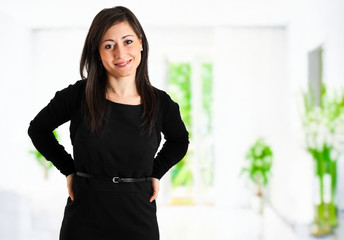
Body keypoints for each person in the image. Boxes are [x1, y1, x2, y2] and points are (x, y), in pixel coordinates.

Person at [28, 6, 189, 240]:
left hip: (138, 220)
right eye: (109, 45)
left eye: (128, 41)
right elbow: (38, 130)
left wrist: (156, 171)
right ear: (98, 52)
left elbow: (179, 141)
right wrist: (69, 170)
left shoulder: (161, 103)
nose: (120, 54)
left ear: (141, 43)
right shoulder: (77, 96)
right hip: (84, 220)